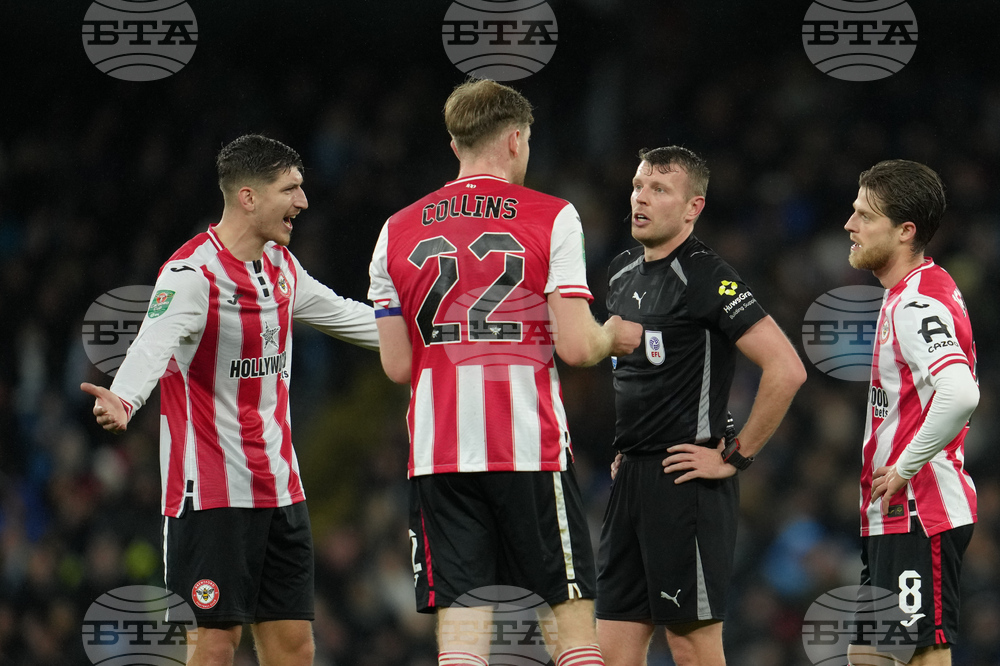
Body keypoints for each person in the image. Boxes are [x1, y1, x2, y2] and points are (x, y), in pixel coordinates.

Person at [368, 79, 642, 666]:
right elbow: (576, 347)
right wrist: (615, 335)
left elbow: (397, 365)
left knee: (463, 639)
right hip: (527, 446)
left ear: (455, 144)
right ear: (516, 139)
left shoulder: (395, 230)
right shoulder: (553, 216)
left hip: (439, 454)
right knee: (570, 628)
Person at [80, 134, 380, 666]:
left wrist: (440, 335)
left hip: (281, 488)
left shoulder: (282, 267)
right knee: (215, 645)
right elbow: (153, 343)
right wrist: (123, 399)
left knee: (293, 645)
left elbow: (347, 315)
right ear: (248, 197)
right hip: (211, 496)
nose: (303, 201)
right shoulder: (192, 275)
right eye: (290, 189)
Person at [597, 146, 806, 666]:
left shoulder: (707, 275)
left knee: (691, 647)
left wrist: (735, 456)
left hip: (684, 481)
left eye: (659, 189)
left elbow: (787, 369)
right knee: (613, 650)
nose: (641, 198)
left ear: (694, 207)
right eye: (638, 186)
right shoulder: (620, 272)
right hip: (631, 478)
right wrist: (630, 449)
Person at [843, 160, 978, 666]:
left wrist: (905, 466)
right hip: (895, 514)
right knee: (868, 656)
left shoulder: (916, 303)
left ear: (905, 231)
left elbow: (960, 393)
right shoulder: (909, 292)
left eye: (864, 216)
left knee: (921, 654)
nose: (850, 225)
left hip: (920, 509)